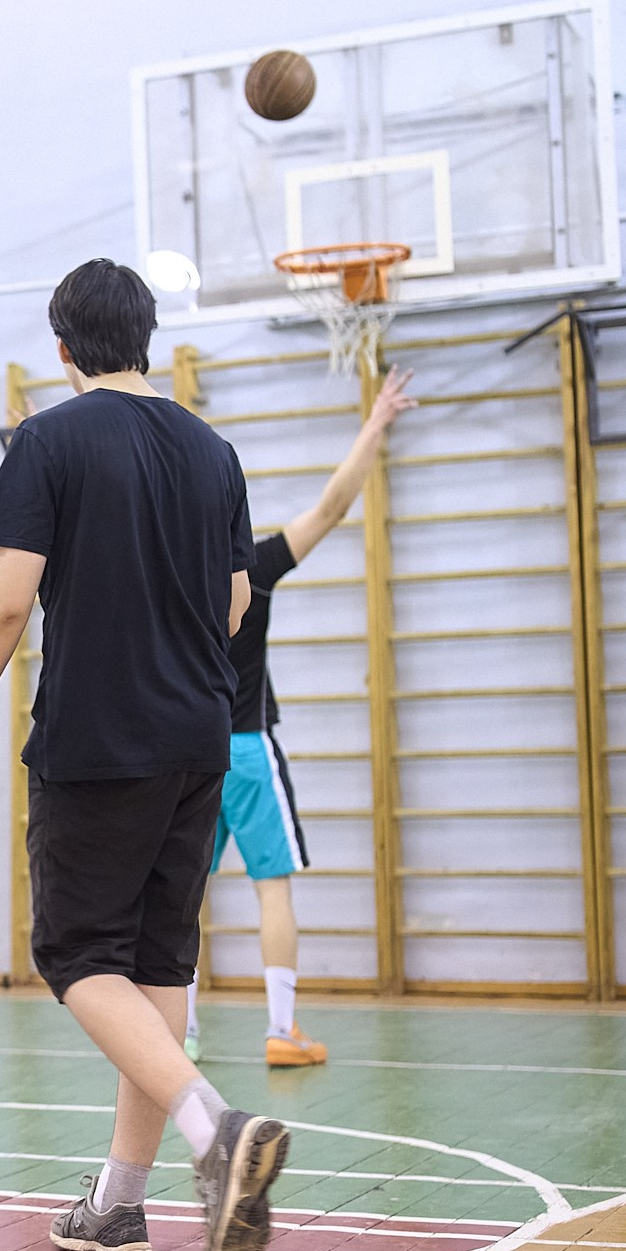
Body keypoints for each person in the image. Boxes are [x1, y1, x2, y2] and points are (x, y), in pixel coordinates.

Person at [0, 259, 286, 1251]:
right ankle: (117, 1208)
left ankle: (216, 1137)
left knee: (76, 955)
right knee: (155, 964)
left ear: (62, 349)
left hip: (99, 740)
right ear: (147, 338)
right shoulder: (213, 453)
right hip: (199, 741)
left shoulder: (49, 438)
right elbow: (238, 606)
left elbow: (4, 602)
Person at [185, 369, 417, 1068]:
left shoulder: (170, 572)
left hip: (186, 757)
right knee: (272, 888)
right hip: (247, 751)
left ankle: (181, 1032)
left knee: (179, 901)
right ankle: (282, 1030)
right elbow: (332, 504)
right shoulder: (250, 563)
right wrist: (375, 423)